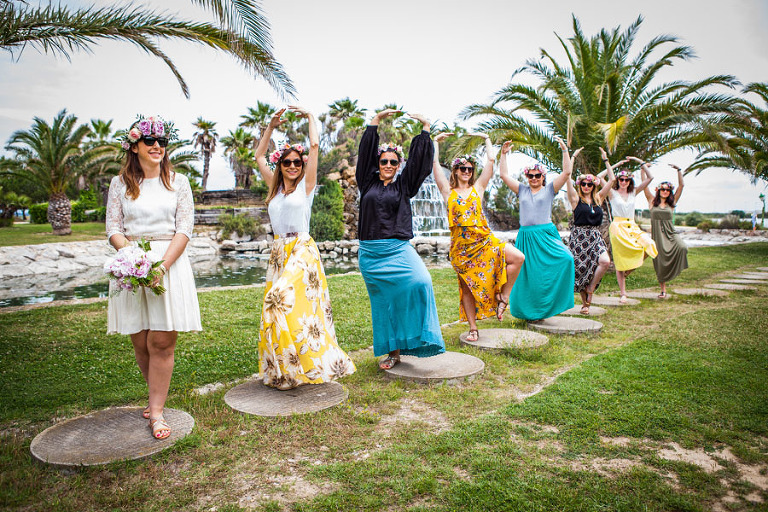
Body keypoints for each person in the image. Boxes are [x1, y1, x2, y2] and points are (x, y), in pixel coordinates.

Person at [106, 114, 202, 440]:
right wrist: (135, 260)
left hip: (169, 264)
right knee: (140, 339)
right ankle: (154, 397)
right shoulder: (120, 184)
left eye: (162, 141)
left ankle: (157, 412)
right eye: (150, 141)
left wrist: (160, 266)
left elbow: (184, 229)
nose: (157, 146)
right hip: (132, 264)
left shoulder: (179, 182)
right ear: (134, 146)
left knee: (161, 340)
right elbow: (114, 229)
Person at [254, 106, 355, 389]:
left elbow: (314, 145)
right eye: (287, 162)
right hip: (279, 253)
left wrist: (310, 116)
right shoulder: (274, 189)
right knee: (289, 311)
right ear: (280, 165)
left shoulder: (305, 187)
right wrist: (271, 127)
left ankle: (311, 363)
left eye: (297, 162)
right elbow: (259, 156)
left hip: (302, 249)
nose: (293, 166)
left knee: (278, 298)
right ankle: (287, 370)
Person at [356, 109, 445, 370]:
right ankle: (393, 353)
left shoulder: (404, 185)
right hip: (370, 254)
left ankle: (417, 338)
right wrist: (375, 121)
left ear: (398, 165)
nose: (388, 165)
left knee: (421, 281)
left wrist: (425, 128)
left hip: (397, 249)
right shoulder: (366, 183)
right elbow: (364, 154)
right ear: (378, 163)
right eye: (383, 161)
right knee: (384, 304)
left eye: (393, 162)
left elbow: (418, 164)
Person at [431, 132, 524, 340]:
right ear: (455, 171)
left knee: (518, 258)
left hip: (484, 241)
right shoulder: (447, 191)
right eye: (462, 168)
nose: (466, 171)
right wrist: (435, 142)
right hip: (462, 249)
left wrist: (486, 139)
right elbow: (435, 164)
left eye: (470, 169)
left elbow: (490, 161)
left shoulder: (478, 188)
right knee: (467, 290)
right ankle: (473, 328)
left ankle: (503, 297)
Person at [499, 139, 575, 321]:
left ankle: (549, 306)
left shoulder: (549, 189)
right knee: (529, 275)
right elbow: (503, 175)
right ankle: (531, 313)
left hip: (545, 235)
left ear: (543, 177)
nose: (534, 178)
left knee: (567, 259)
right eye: (530, 175)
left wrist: (564, 150)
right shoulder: (522, 190)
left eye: (537, 175)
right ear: (527, 177)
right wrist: (503, 154)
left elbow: (566, 172)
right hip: (526, 236)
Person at [601, 149, 658, 303]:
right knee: (620, 261)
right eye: (621, 179)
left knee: (649, 245)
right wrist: (613, 164)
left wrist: (639, 161)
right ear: (618, 180)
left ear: (630, 181)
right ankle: (623, 293)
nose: (624, 182)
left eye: (626, 180)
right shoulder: (612, 193)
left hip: (632, 226)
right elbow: (600, 177)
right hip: (618, 227)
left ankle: (629, 270)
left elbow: (650, 178)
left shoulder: (634, 192)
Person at [562, 139, 611, 314]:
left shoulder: (599, 198)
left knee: (605, 261)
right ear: (580, 185)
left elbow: (612, 180)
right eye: (583, 184)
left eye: (589, 184)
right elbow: (567, 177)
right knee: (582, 269)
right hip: (579, 237)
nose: (586, 186)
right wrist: (573, 157)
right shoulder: (575, 200)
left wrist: (605, 159)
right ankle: (585, 305)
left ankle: (591, 288)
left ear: (594, 185)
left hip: (595, 236)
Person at [641, 164, 688, 298]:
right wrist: (642, 170)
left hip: (671, 233)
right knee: (659, 261)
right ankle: (663, 290)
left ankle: (674, 270)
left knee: (683, 247)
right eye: (663, 189)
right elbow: (644, 185)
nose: (665, 191)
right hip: (657, 236)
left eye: (667, 190)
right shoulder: (651, 201)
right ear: (658, 190)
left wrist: (679, 171)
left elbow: (681, 186)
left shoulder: (671, 203)